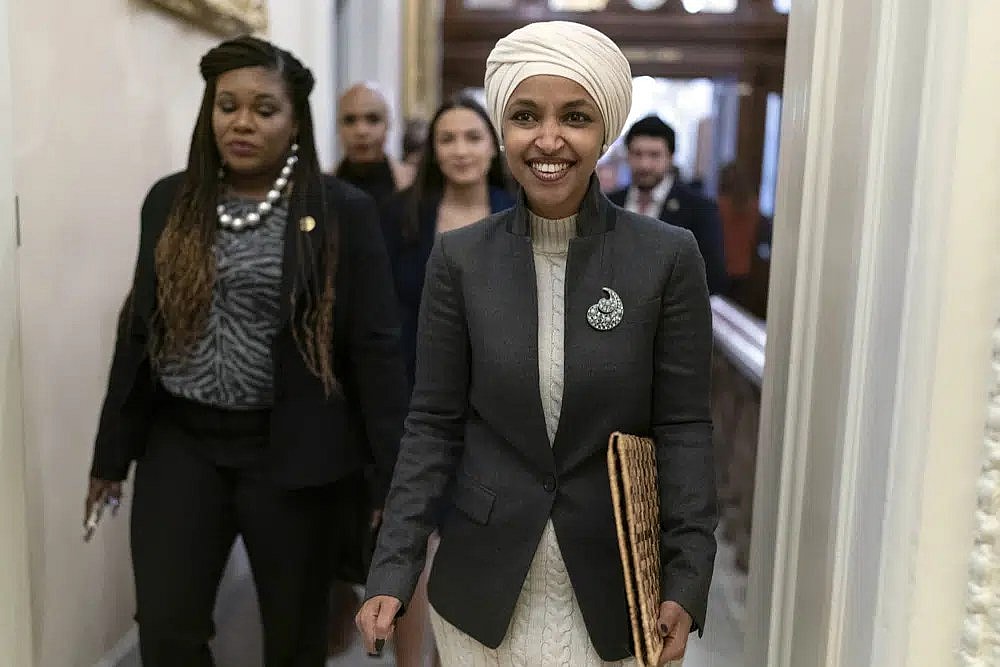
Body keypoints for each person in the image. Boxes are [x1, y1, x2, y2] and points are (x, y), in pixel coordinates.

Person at [357, 21, 717, 667]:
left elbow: (684, 426)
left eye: (575, 117)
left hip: (616, 590)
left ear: (604, 131)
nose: (548, 140)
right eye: (526, 116)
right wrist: (393, 565)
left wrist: (687, 574)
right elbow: (433, 423)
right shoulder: (460, 259)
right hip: (482, 588)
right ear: (505, 130)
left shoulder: (666, 256)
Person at [85, 36, 407, 666]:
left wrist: (392, 481)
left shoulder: (341, 211)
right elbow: (138, 330)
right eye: (227, 105)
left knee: (295, 638)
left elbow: (375, 349)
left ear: (295, 120)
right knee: (168, 630)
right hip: (182, 444)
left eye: (264, 109)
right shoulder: (170, 201)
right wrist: (110, 455)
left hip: (290, 449)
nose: (242, 122)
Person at [608, 115, 728, 294]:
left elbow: (712, 278)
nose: (645, 165)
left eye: (654, 155)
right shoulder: (609, 203)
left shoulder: (699, 209)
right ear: (627, 156)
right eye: (637, 154)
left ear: (670, 157)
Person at [335, 82, 412, 205]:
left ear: (388, 125)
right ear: (338, 127)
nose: (361, 131)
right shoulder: (318, 189)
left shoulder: (413, 184)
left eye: (372, 119)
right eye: (350, 120)